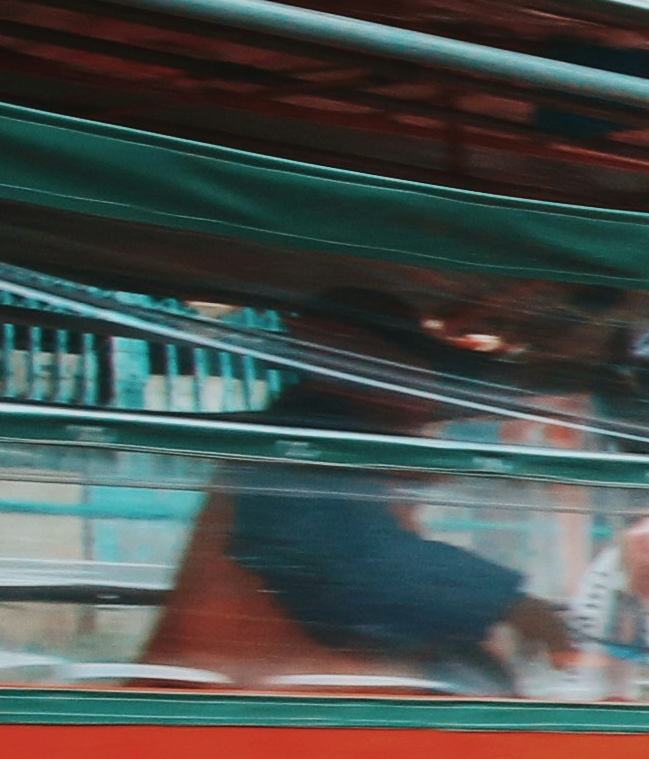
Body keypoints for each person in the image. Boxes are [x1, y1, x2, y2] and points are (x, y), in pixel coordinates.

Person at [143, 292, 578, 693]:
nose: (425, 397)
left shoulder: (350, 439)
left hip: (271, 706)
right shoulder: (306, 435)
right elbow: (345, 576)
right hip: (233, 708)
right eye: (413, 370)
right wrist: (508, 603)